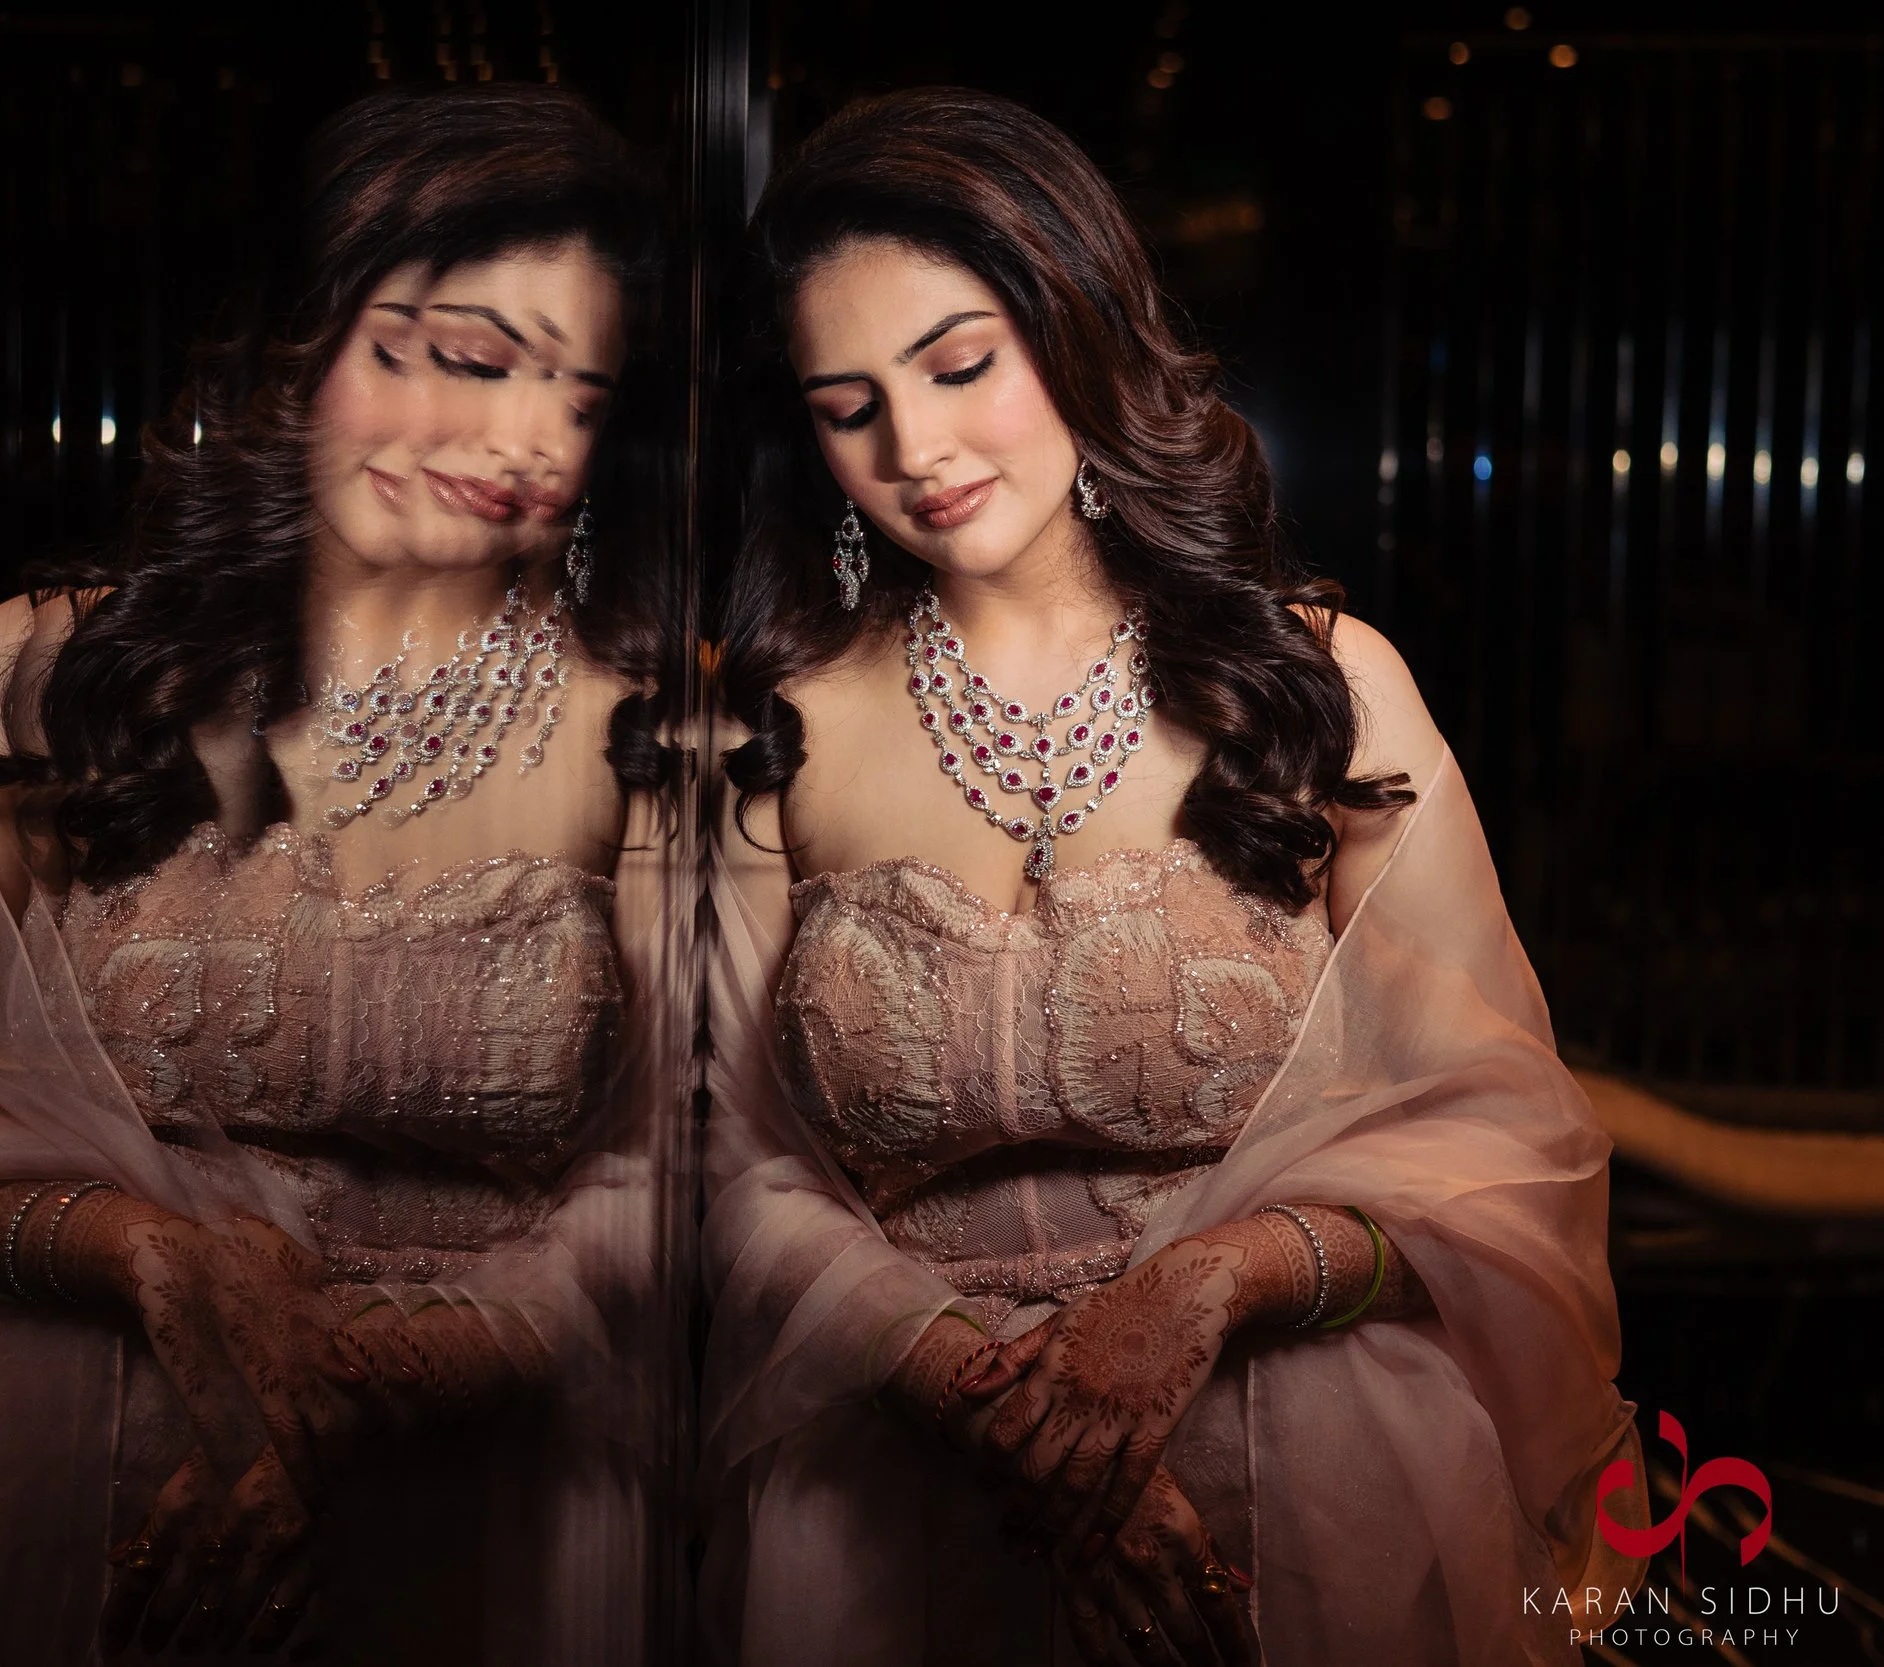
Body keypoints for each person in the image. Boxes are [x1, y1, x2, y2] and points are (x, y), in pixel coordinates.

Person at [700, 88, 1648, 1666]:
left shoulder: (1318, 684)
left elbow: (1502, 1138)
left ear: (1073, 330)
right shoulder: (776, 725)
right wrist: (972, 1388)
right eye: (845, 403)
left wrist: (1216, 1281)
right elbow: (734, 1167)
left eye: (958, 366)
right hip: (899, 1502)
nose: (915, 449)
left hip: (1309, 1483)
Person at [0, 84, 678, 1666]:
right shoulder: (54, 677)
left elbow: (690, 1187)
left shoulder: (651, 724)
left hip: (488, 1513)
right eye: (456, 358)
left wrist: (373, 1391)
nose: (511, 440)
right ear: (298, 347)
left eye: (573, 393)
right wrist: (134, 1251)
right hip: (54, 1497)